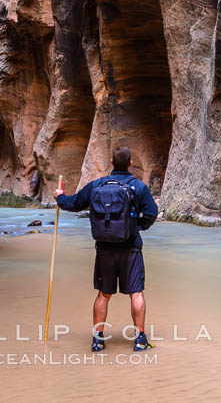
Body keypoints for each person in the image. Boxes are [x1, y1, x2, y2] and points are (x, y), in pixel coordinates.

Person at [54, 145, 158, 352]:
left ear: (111, 162)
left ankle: (98, 339)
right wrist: (136, 227)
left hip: (104, 249)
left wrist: (59, 196)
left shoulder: (97, 186)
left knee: (104, 294)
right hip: (131, 248)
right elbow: (151, 213)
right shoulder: (138, 187)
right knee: (136, 293)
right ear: (130, 163)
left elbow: (74, 203)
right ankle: (140, 340)